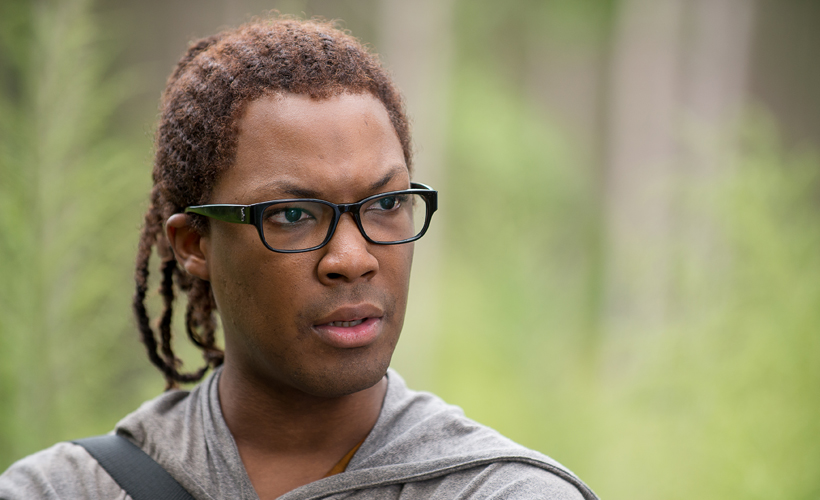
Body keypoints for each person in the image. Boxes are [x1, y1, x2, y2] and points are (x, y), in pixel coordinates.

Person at [0, 17, 598, 500]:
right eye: (291, 214)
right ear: (195, 245)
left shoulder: (501, 491)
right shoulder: (63, 489)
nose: (353, 259)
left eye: (386, 203)